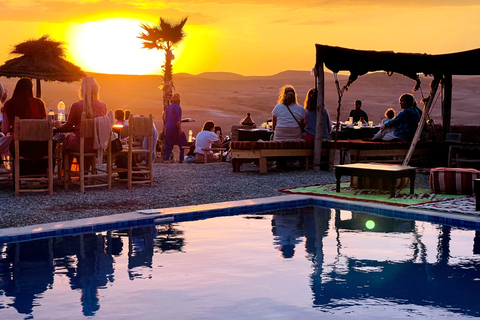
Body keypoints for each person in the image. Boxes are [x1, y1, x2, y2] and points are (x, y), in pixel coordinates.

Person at [55, 77, 107, 168]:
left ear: (82, 89)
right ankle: (84, 173)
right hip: (97, 145)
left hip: (81, 145)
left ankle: (67, 174)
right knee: (74, 139)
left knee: (68, 140)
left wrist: (59, 125)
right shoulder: (103, 106)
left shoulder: (77, 106)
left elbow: (68, 126)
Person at [1, 78, 49, 175]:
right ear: (31, 89)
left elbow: (5, 129)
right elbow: (44, 128)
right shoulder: (39, 104)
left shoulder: (9, 104)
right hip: (39, 147)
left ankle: (13, 170)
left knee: (4, 142)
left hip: (19, 146)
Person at [164, 93, 187, 163]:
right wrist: (180, 129)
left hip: (168, 128)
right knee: (183, 142)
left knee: (168, 144)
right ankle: (181, 159)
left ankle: (166, 159)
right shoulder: (177, 107)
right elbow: (177, 119)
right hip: (175, 128)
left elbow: (165, 119)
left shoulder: (168, 108)